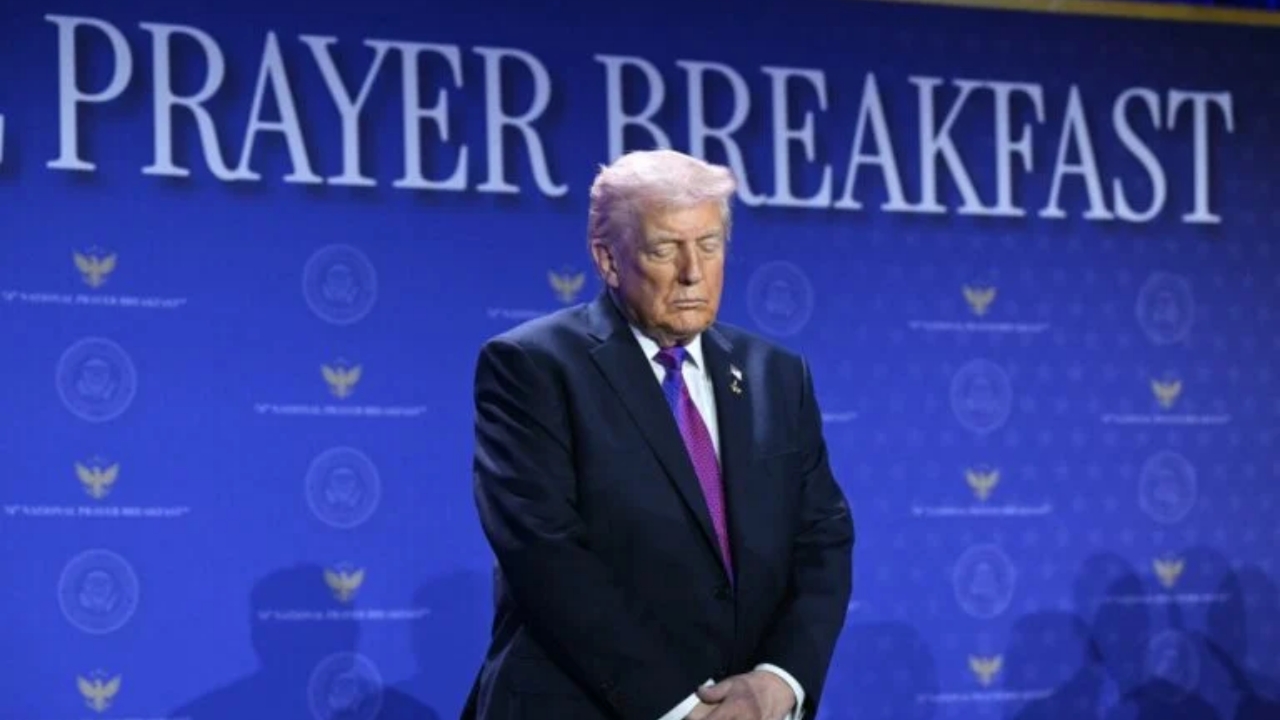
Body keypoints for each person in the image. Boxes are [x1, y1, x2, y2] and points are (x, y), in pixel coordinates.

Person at [462, 149, 854, 720]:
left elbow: (823, 540)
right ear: (608, 260)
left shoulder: (777, 374)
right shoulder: (534, 367)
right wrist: (680, 708)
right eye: (665, 248)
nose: (693, 272)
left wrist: (779, 680)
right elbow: (546, 554)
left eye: (710, 245)